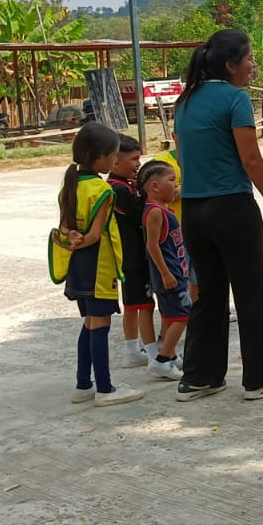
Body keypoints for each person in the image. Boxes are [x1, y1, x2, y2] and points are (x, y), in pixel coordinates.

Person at [171, 29, 263, 401]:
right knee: (251, 292)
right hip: (232, 207)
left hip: (194, 210)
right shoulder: (235, 99)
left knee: (208, 294)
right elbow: (250, 159)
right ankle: (257, 378)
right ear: (230, 65)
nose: (253, 65)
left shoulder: (184, 101)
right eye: (249, 58)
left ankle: (199, 377)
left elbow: (184, 154)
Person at [49, 123, 144, 407]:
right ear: (98, 158)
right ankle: (105, 388)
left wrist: (71, 238)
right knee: (100, 324)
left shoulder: (70, 185)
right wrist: (80, 240)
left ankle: (83, 385)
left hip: (77, 266)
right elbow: (94, 236)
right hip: (99, 266)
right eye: (113, 155)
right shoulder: (102, 190)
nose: (115, 160)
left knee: (90, 322)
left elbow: (65, 227)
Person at [136, 160, 191, 381]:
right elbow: (152, 245)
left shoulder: (163, 209)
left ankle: (171, 355)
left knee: (171, 316)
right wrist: (166, 273)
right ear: (155, 186)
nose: (176, 185)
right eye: (171, 180)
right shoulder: (155, 212)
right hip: (169, 275)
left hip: (177, 272)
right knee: (184, 315)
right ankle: (162, 359)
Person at [107, 135, 157, 367]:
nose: (138, 164)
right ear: (115, 161)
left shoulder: (122, 185)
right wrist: (147, 191)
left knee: (132, 304)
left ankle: (132, 350)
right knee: (145, 305)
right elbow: (139, 215)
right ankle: (155, 355)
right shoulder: (120, 189)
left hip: (127, 256)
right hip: (133, 256)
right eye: (134, 159)